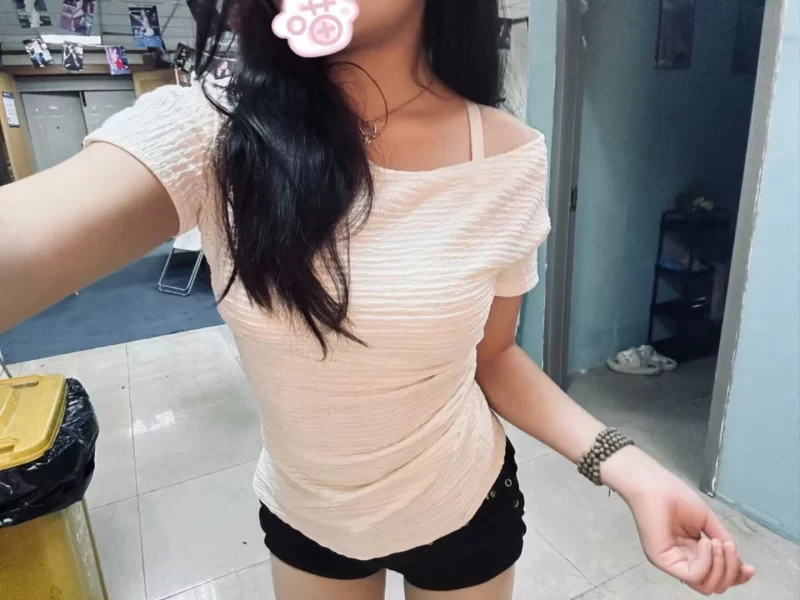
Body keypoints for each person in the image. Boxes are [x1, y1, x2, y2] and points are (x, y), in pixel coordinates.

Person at [0, 1, 755, 598]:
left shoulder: (508, 157)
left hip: (464, 503)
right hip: (308, 512)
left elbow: (494, 357)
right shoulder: (211, 133)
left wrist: (629, 467)